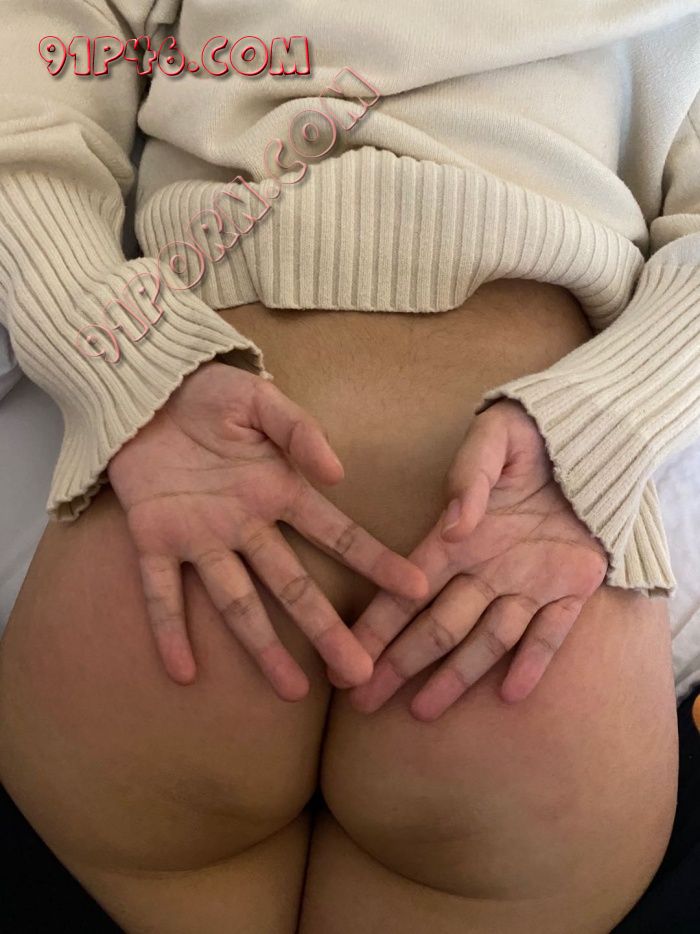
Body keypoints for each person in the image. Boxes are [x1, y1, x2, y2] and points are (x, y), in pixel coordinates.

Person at [0, 2, 698, 931]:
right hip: (524, 565)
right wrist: (600, 434)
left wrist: (128, 365)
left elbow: (28, 100)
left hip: (182, 507)